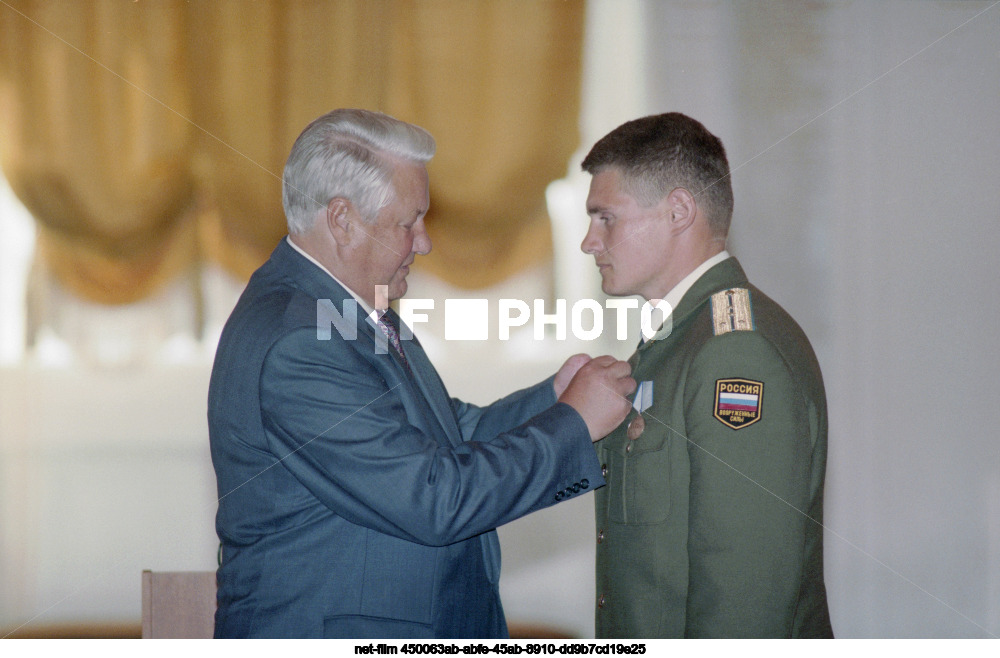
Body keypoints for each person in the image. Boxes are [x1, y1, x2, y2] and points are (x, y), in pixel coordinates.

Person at [208, 108, 635, 638]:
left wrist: (553, 400)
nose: (425, 241)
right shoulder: (298, 341)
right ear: (342, 220)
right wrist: (573, 423)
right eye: (408, 222)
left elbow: (442, 439)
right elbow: (435, 498)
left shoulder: (347, 307)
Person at [580, 113, 833, 638]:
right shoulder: (679, 340)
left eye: (606, 218)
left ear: (678, 212)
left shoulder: (734, 352)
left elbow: (744, 591)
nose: (589, 242)